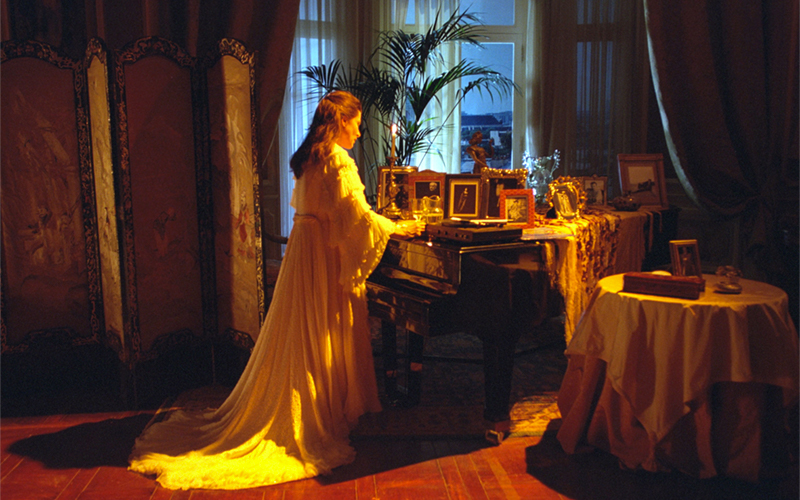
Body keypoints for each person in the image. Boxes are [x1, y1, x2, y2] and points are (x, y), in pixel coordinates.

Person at [128, 91, 424, 490]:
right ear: (341, 122)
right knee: (321, 327)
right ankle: (315, 411)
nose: (358, 130)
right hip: (321, 253)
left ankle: (312, 399)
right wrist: (397, 227)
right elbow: (357, 217)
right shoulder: (338, 159)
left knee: (301, 328)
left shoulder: (310, 156)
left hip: (304, 248)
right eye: (356, 123)